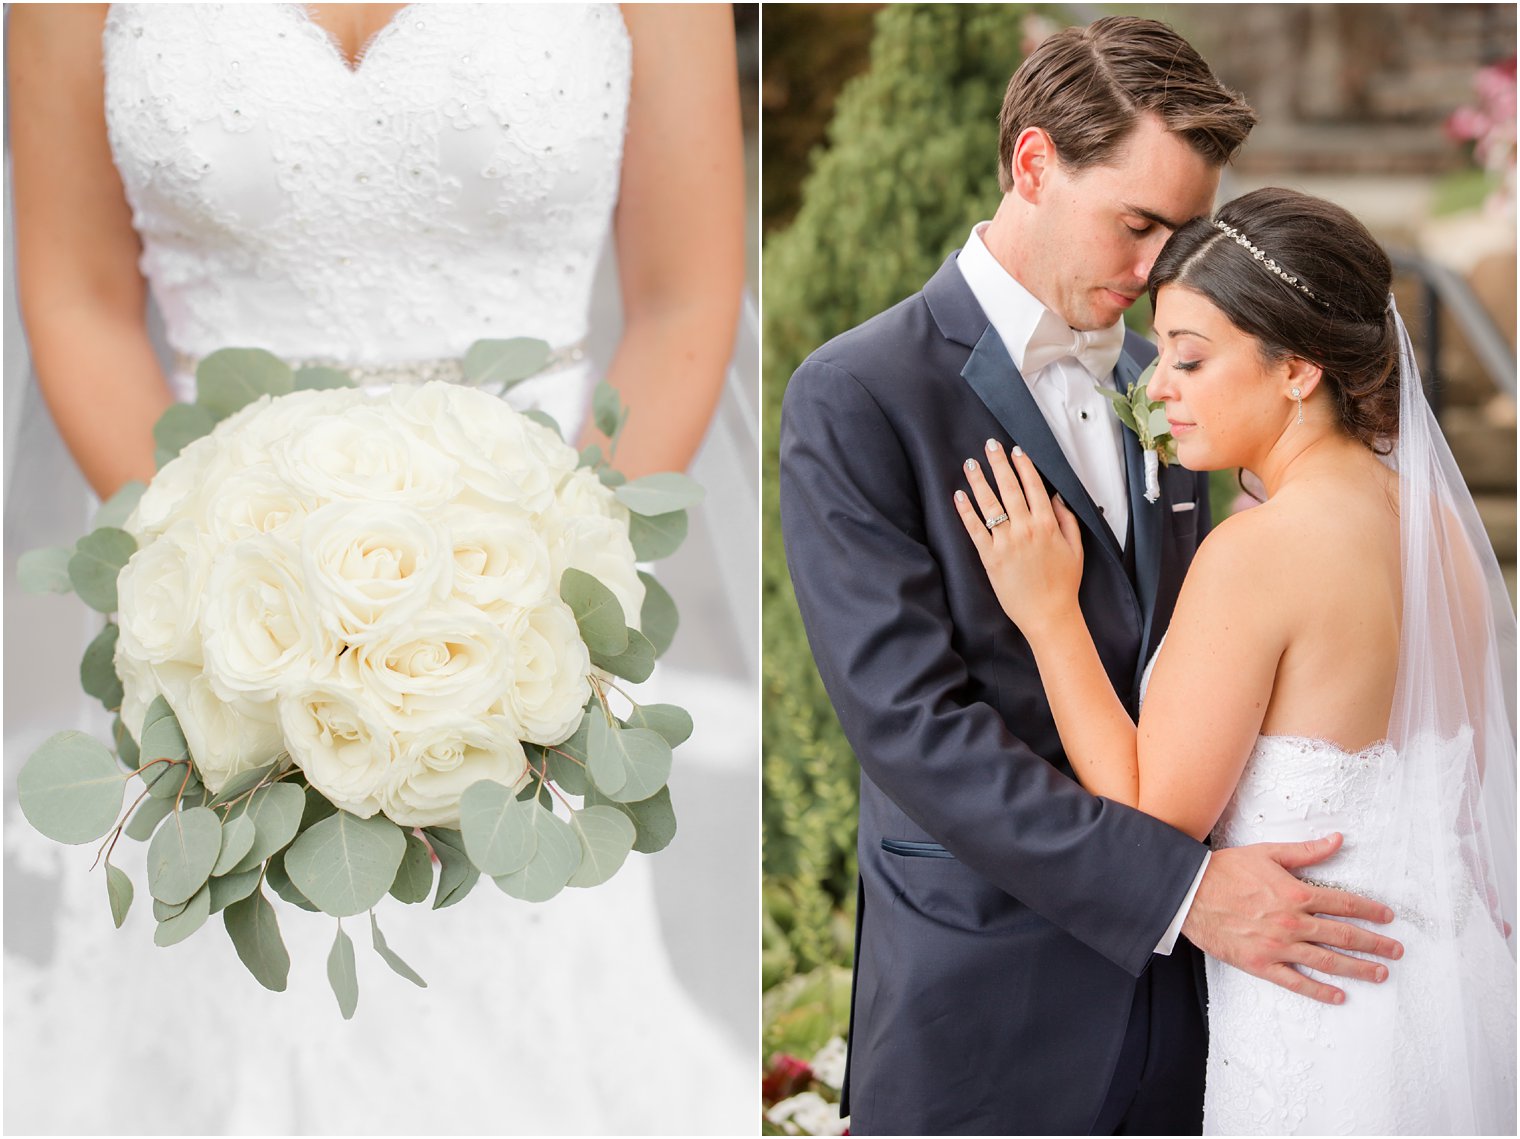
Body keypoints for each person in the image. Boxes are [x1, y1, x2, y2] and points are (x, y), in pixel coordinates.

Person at [4, 4, 754, 1133]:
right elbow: (80, 298)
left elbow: (681, 296)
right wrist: (210, 597)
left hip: (525, 613)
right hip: (225, 629)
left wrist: (534, 610)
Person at [780, 18, 1402, 1135]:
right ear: (1031, 164)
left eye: (1179, 234)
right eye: (1136, 224)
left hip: (1207, 1007)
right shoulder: (856, 394)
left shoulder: (1169, 384)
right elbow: (913, 728)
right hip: (982, 1003)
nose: (1156, 268)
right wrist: (1176, 891)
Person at [956, 186, 1516, 1135]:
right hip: (1454, 1001)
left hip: (1325, 1031)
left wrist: (1049, 614)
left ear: (1297, 369)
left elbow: (1149, 815)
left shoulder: (1258, 553)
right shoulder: (1436, 530)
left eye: (1191, 356)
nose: (1157, 383)